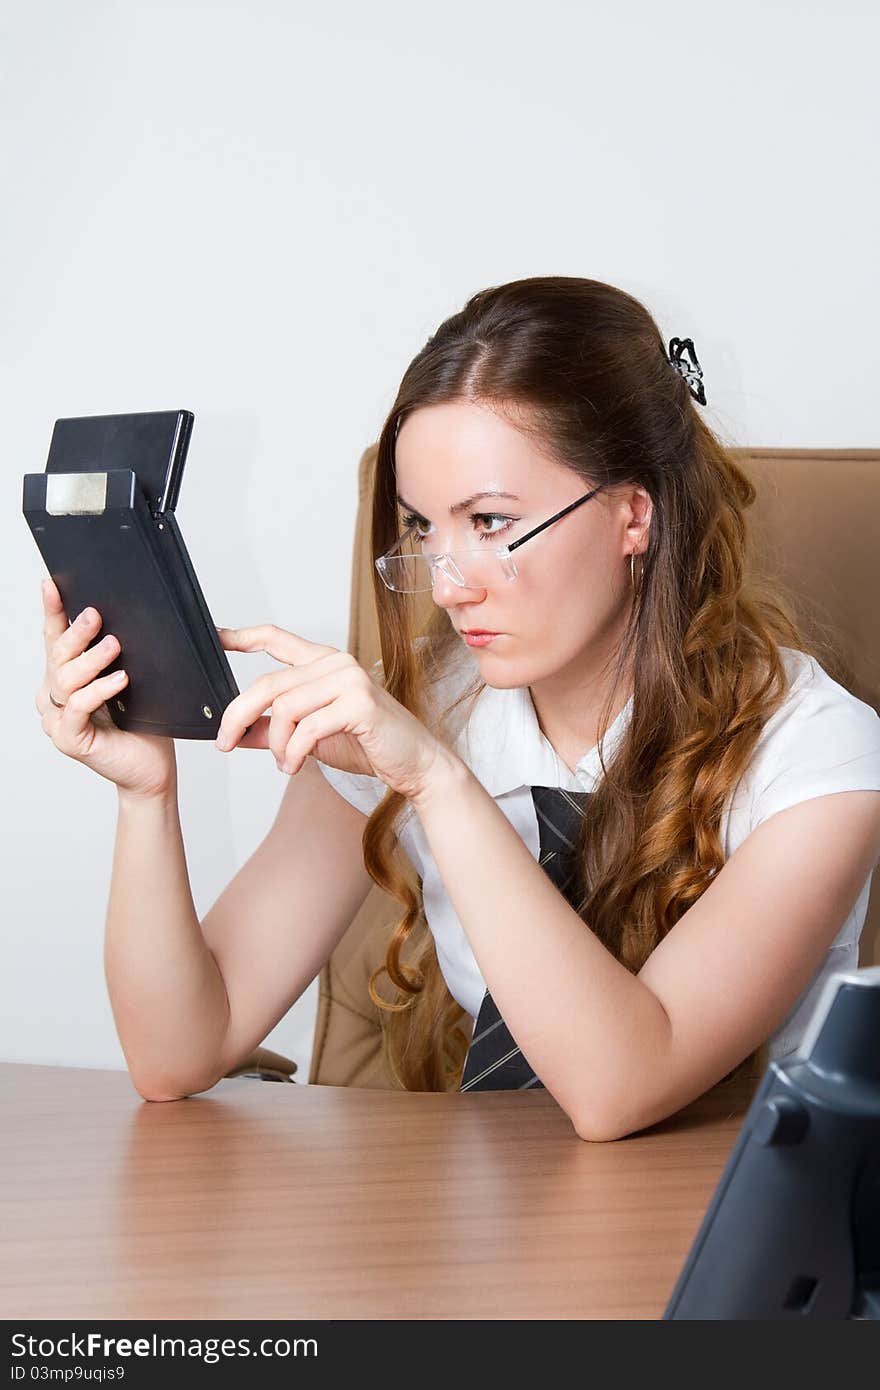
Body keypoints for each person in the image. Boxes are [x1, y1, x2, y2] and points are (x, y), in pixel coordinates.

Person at [35, 276, 880, 1142]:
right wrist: (145, 795)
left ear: (634, 515)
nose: (447, 583)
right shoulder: (420, 714)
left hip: (722, 1236)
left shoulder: (820, 757)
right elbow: (177, 1050)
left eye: (489, 522)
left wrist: (437, 783)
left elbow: (623, 1084)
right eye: (424, 529)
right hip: (481, 1224)